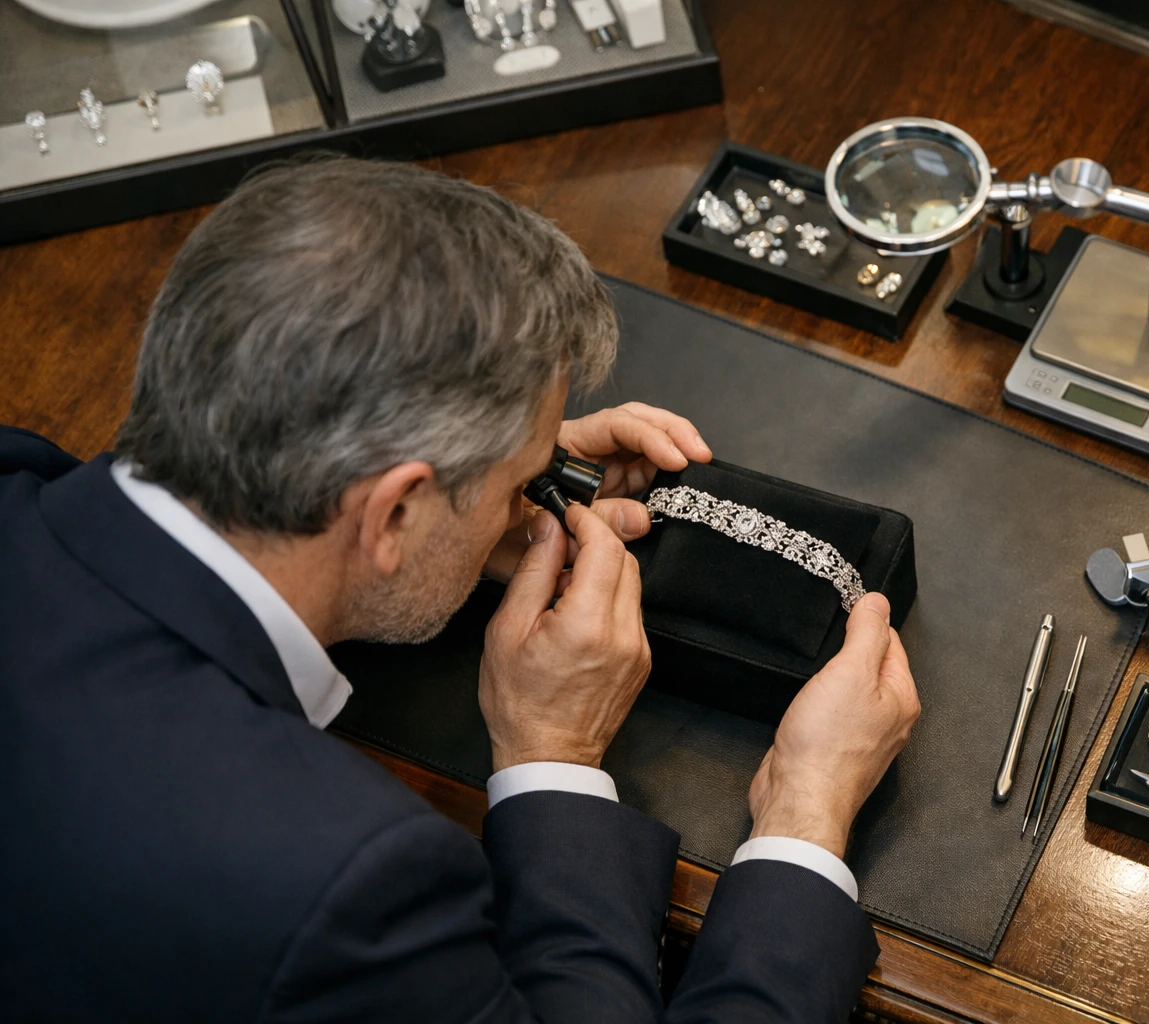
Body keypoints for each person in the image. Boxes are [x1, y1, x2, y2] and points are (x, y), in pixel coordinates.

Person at [0, 158, 920, 1023]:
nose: (537, 499)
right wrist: (792, 811)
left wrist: (454, 519)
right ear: (393, 514)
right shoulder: (340, 885)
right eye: (523, 478)